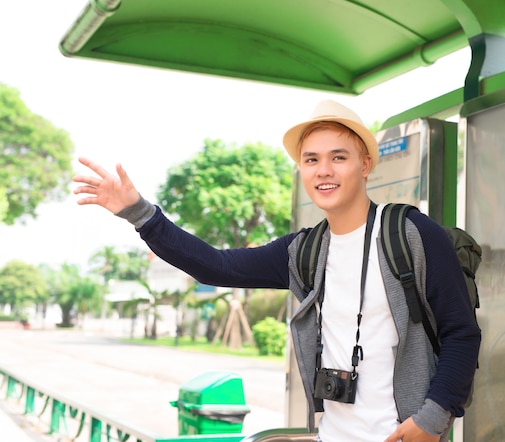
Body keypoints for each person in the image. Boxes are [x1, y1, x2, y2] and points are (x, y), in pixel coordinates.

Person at [73, 100, 481, 442]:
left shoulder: (411, 235)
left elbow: (461, 332)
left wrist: (432, 418)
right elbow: (215, 265)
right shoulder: (303, 250)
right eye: (311, 160)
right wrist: (139, 213)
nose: (324, 170)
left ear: (365, 164)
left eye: (339, 157)